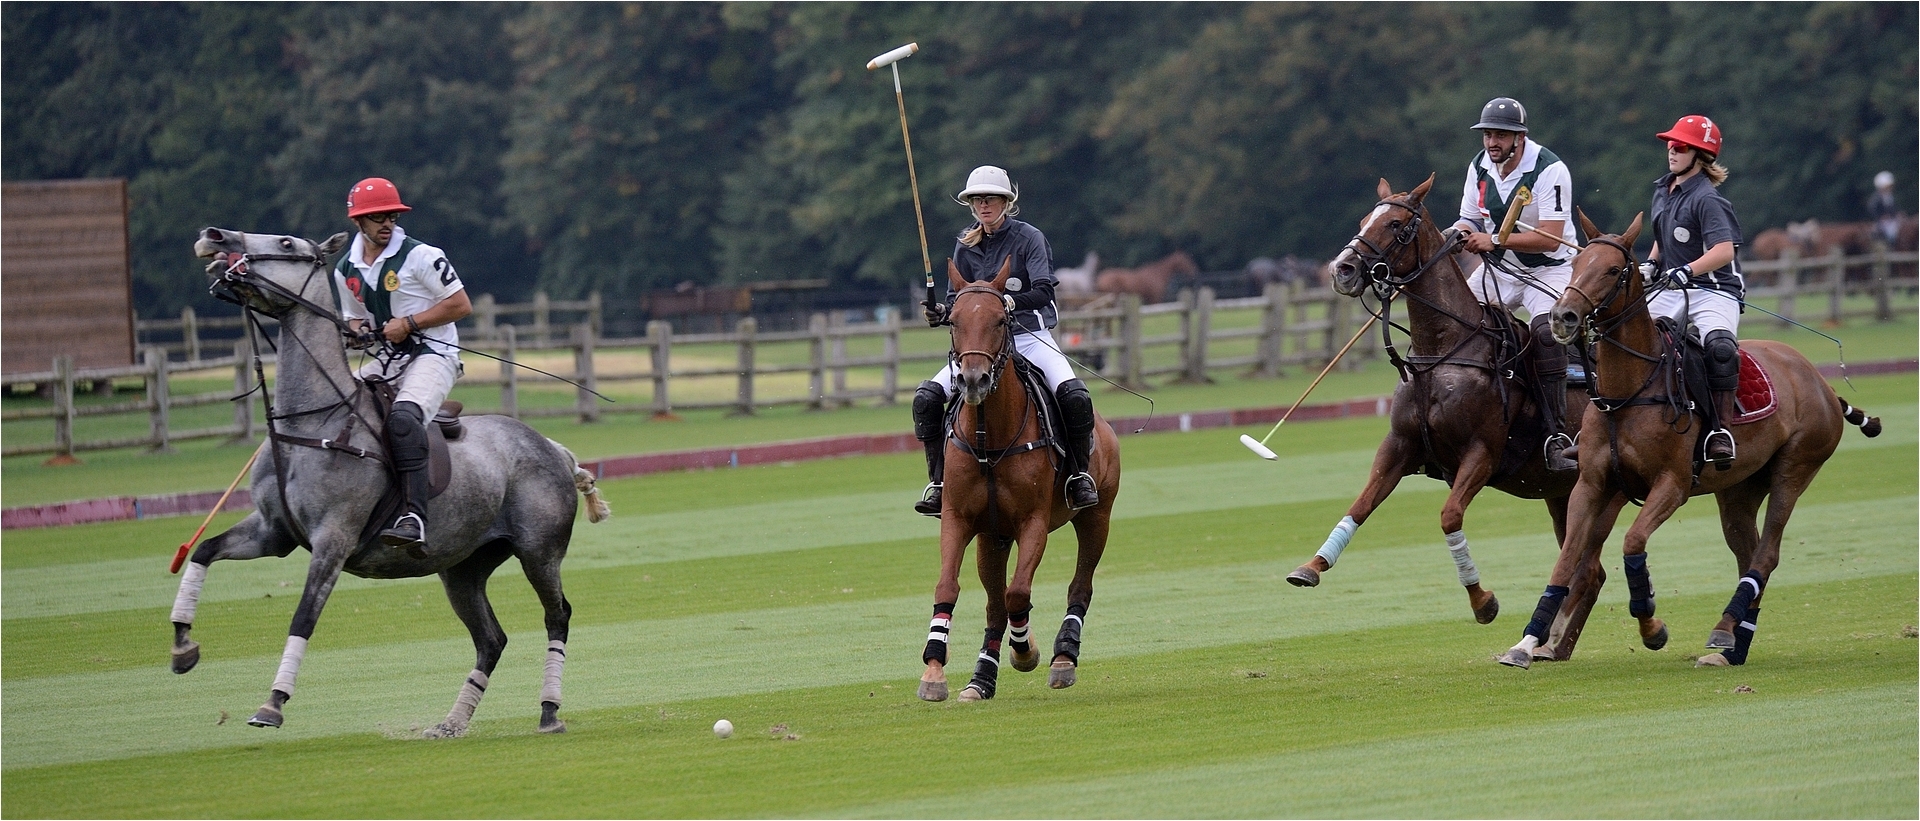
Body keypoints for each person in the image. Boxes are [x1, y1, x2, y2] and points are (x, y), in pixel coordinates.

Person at [911, 165, 1099, 516]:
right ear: (971, 205)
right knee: (926, 398)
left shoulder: (1029, 238)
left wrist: (1009, 302)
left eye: (991, 199)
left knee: (1074, 395)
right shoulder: (965, 244)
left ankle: (1078, 476)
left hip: (1030, 337)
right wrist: (941, 313)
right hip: (981, 347)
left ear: (1006, 202)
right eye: (977, 200)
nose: (984, 205)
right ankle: (939, 483)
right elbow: (957, 303)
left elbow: (1043, 290)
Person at [332, 177, 473, 550]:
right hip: (386, 359)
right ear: (358, 221)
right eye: (378, 217)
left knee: (403, 419)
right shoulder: (345, 269)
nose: (387, 223)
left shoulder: (422, 256)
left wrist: (409, 323)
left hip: (434, 354)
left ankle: (414, 517)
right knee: (337, 405)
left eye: (392, 216)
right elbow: (354, 317)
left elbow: (460, 305)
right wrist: (358, 331)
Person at [1449, 97, 1581, 471]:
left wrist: (1494, 240)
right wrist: (1456, 234)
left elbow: (1552, 237)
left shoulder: (1549, 169)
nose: (1492, 142)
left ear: (1519, 137)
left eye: (1501, 135)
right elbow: (1470, 219)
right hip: (1501, 271)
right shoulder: (1478, 166)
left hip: (1548, 271)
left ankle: (1557, 435)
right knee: (1456, 322)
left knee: (1546, 334)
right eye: (1488, 134)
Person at [1639, 115, 1744, 468]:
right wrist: (1651, 263)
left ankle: (1720, 431)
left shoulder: (1707, 199)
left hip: (1713, 289)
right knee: (1626, 337)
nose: (1672, 150)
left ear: (1700, 155)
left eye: (1681, 146)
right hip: (1672, 286)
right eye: (1670, 144)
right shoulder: (1663, 189)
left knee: (1720, 348)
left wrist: (1686, 270)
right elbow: (1664, 235)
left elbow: (1724, 251)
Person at [1868, 171, 1900, 247]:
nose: (1890, 188)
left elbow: (1893, 209)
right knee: (1891, 232)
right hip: (1882, 221)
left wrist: (1897, 214)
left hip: (1892, 219)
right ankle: (1892, 246)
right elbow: (1873, 209)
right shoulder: (1876, 198)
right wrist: (1881, 217)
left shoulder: (1890, 196)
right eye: (1887, 186)